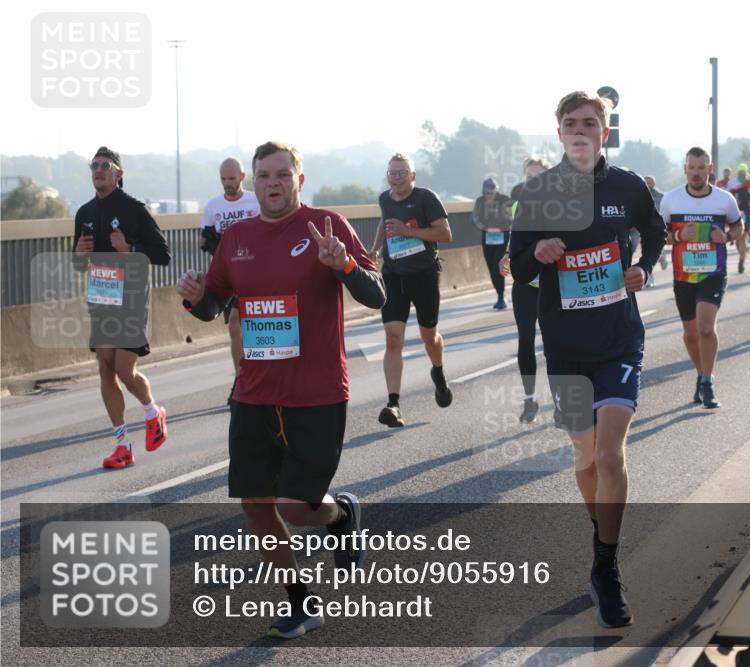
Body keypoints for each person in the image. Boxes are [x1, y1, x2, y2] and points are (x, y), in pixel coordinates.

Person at [177, 141, 386, 639]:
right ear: (252, 182)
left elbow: (377, 296)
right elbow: (214, 306)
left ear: (299, 179)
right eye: (263, 175)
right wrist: (195, 299)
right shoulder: (238, 237)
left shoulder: (328, 226)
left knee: (295, 507)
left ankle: (340, 515)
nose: (272, 183)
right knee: (256, 504)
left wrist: (346, 267)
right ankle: (300, 601)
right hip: (253, 390)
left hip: (316, 392)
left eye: (281, 174)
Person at [509, 91, 665, 629]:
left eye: (591, 123)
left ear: (605, 130)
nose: (581, 130)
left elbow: (657, 231)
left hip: (620, 338)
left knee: (609, 453)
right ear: (559, 132)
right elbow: (518, 267)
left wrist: (644, 265)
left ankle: (605, 566)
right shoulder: (535, 193)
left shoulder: (628, 186)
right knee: (584, 453)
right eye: (571, 123)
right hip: (567, 346)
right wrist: (539, 254)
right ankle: (602, 543)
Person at [72, 147, 171, 469]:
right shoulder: (84, 212)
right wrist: (78, 253)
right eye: (95, 165)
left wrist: (130, 249)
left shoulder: (134, 210)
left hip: (131, 299)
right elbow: (78, 265)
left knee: (124, 370)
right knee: (105, 367)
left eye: (106, 165)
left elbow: (162, 254)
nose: (98, 169)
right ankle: (122, 444)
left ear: (118, 174)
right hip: (102, 298)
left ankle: (153, 412)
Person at [369, 154, 454, 428]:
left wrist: (409, 231)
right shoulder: (384, 198)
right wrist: (376, 249)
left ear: (412, 176)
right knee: (393, 339)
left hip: (424, 275)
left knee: (429, 336)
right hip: (394, 276)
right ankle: (393, 404)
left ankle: (438, 374)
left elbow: (445, 234)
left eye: (402, 173)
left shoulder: (425, 198)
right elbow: (385, 222)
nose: (396, 178)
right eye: (392, 173)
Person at [661, 147, 743, 408]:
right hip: (683, 274)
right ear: (685, 169)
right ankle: (700, 374)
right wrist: (678, 237)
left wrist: (728, 237)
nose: (696, 173)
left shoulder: (724, 199)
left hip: (713, 273)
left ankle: (708, 382)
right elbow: (659, 235)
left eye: (701, 167)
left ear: (710, 168)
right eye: (692, 167)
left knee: (706, 327)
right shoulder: (671, 200)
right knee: (691, 333)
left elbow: (738, 226)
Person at [500, 157, 551, 423]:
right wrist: (507, 254)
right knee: (526, 340)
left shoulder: (561, 206)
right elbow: (515, 238)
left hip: (554, 284)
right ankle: (530, 399)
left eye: (539, 177)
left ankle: (564, 398)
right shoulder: (520, 205)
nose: (534, 182)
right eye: (530, 177)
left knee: (556, 342)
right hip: (526, 284)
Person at [200, 158, 260, 378]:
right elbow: (204, 241)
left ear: (243, 177)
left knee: (254, 328)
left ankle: (257, 374)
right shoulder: (213, 206)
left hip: (257, 272)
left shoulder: (256, 201)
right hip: (231, 275)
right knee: (235, 327)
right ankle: (240, 379)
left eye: (231, 179)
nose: (227, 183)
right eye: (223, 179)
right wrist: (212, 243)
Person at [472, 177, 511, 309]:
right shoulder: (480, 201)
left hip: (503, 236)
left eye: (492, 192)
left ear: (497, 190)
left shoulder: (505, 199)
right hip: (487, 237)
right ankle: (499, 294)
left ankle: (501, 296)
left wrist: (506, 224)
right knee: (491, 267)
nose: (489, 195)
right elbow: (474, 217)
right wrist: (484, 226)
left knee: (497, 266)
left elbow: (516, 214)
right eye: (487, 192)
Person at [727, 163, 750, 266]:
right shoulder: (732, 183)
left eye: (744, 172)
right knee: (737, 239)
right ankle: (742, 254)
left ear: (746, 172)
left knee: (743, 236)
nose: (742, 174)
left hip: (747, 212)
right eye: (740, 172)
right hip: (736, 212)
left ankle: (741, 260)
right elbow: (727, 196)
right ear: (738, 172)